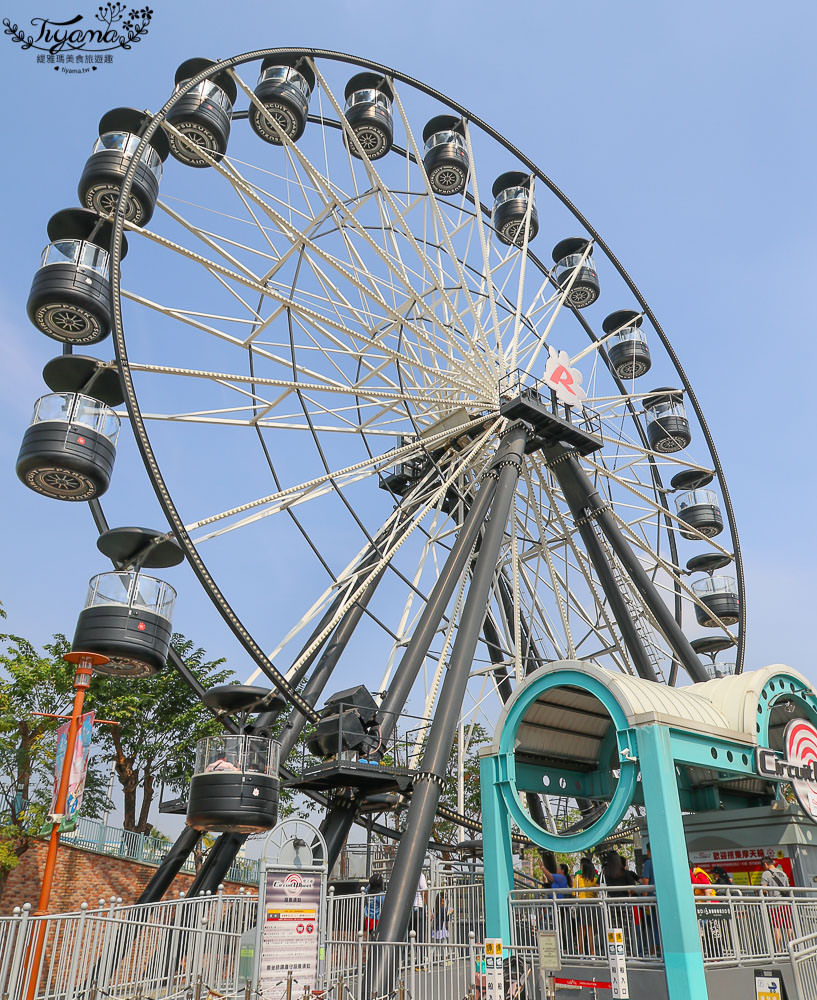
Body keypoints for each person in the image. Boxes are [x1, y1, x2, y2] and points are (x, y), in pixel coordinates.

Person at [761, 855, 792, 950]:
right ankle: (793, 948)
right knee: (788, 926)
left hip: (775, 904)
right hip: (786, 903)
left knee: (776, 927)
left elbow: (763, 890)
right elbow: (787, 888)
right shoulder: (782, 873)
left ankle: (779, 950)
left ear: (766, 864)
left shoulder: (766, 873)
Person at [572, 857, 599, 957]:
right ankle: (592, 954)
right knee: (591, 930)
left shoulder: (578, 878)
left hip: (581, 905)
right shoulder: (594, 878)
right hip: (592, 905)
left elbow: (574, 893)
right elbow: (597, 892)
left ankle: (581, 953)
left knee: (581, 931)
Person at [363, 873, 384, 938]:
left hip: (368, 920)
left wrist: (373, 881)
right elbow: (386, 903)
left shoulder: (368, 892)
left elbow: (368, 887)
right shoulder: (380, 895)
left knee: (372, 939)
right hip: (376, 920)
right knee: (377, 939)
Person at [410, 871, 428, 941]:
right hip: (418, 906)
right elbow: (425, 892)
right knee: (420, 935)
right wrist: (429, 909)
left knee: (409, 933)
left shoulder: (405, 874)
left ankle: (409, 950)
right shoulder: (420, 875)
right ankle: (420, 951)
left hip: (408, 908)